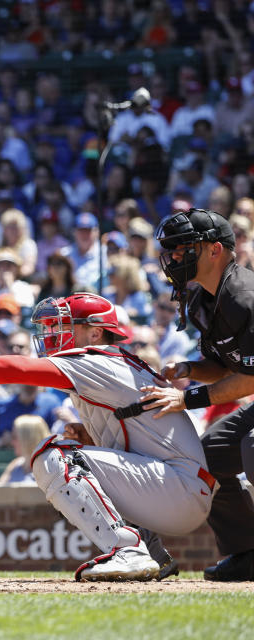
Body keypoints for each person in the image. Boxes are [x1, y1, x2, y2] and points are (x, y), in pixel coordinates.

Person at [0, 293, 211, 581]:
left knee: (54, 454)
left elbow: (20, 369)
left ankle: (127, 550)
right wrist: (94, 439)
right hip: (177, 485)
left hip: (177, 487)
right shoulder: (111, 361)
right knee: (79, 452)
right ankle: (153, 554)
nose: (53, 333)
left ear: (95, 333)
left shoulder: (97, 359)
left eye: (64, 326)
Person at [142, 209, 254, 581]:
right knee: (204, 458)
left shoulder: (244, 296)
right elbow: (225, 365)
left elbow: (250, 379)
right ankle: (247, 552)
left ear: (215, 251)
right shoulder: (202, 301)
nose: (174, 257)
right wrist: (188, 371)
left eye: (183, 248)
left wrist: (186, 399)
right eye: (171, 250)